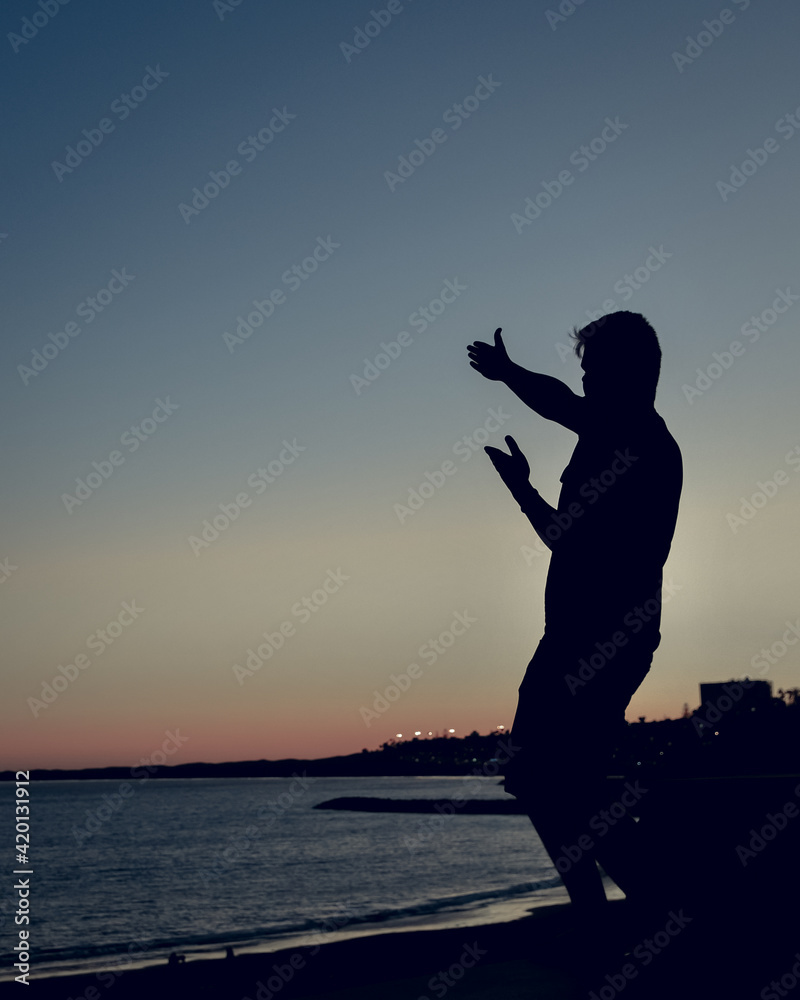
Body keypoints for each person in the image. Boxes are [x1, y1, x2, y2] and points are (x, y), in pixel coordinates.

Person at [467, 313, 682, 923]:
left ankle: (645, 906)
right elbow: (566, 538)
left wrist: (508, 374)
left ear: (629, 371)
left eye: (593, 369)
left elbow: (559, 402)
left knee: (555, 781)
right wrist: (522, 488)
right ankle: (613, 909)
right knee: (546, 780)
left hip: (603, 638)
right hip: (571, 637)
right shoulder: (605, 440)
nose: (583, 380)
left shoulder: (636, 431)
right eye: (584, 370)